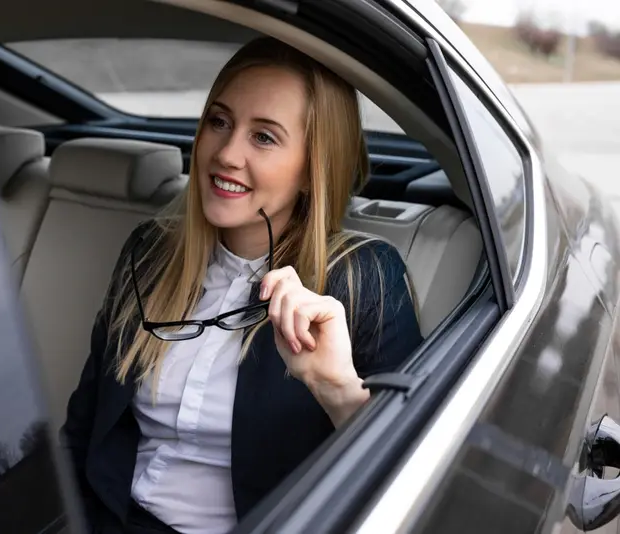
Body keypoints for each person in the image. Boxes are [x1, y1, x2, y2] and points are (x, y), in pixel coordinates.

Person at [60, 36, 423, 534]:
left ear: (313, 170)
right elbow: (82, 429)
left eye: (265, 137)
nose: (227, 153)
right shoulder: (149, 254)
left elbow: (412, 478)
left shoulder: (365, 279)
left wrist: (337, 389)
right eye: (219, 122)